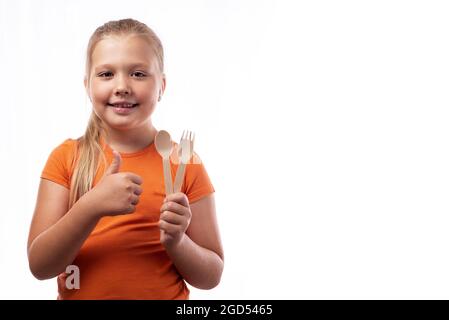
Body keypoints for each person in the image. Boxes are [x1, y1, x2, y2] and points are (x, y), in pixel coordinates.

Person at [27, 18, 224, 300]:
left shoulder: (185, 161)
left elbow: (211, 276)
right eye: (106, 74)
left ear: (162, 86)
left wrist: (178, 242)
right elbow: (40, 265)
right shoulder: (66, 158)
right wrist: (91, 205)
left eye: (139, 74)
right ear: (87, 85)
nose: (122, 86)